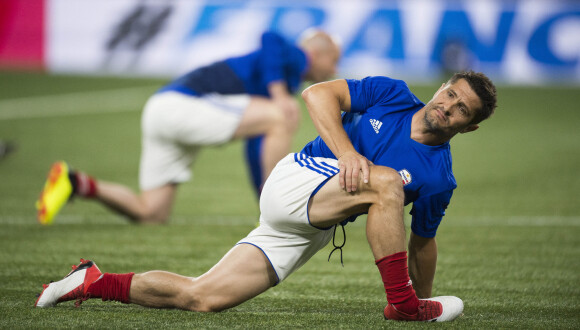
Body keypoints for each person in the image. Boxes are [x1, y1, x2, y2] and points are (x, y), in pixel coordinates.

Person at [35, 71, 497, 322]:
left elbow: (421, 244)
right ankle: (402, 308)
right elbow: (316, 95)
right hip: (297, 178)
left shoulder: (440, 179)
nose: (448, 107)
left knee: (203, 298)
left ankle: (91, 281)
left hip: (312, 223)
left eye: (462, 110)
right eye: (450, 93)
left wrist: (427, 298)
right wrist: (348, 154)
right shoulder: (392, 94)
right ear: (441, 86)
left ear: (469, 127)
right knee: (387, 182)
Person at [36, 29, 341, 225]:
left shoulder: (281, 80)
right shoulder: (296, 57)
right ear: (320, 53)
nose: (334, 70)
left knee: (151, 214)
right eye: (334, 61)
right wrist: (278, 94)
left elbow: (256, 146)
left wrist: (262, 196)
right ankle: (286, 201)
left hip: (161, 112)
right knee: (281, 115)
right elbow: (270, 36)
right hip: (180, 105)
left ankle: (75, 181)